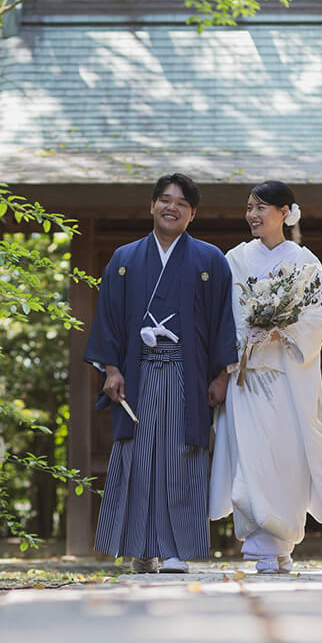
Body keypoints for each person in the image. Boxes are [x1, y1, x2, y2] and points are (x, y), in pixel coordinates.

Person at [84, 173, 238, 574]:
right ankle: (141, 549)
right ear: (151, 205)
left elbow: (224, 322)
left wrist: (221, 377)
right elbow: (109, 320)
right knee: (138, 456)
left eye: (182, 203)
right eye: (165, 200)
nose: (173, 208)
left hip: (188, 375)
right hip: (138, 374)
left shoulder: (210, 260)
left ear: (192, 214)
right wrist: (112, 369)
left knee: (183, 456)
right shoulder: (124, 259)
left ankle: (175, 550)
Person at [208, 180, 322, 574]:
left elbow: (321, 314)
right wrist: (227, 365)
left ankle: (280, 545)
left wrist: (282, 329)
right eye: (249, 207)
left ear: (285, 212)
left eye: (261, 207)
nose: (252, 215)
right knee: (251, 461)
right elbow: (221, 316)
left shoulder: (304, 260)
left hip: (287, 380)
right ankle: (260, 548)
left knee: (288, 460)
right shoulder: (235, 260)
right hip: (246, 378)